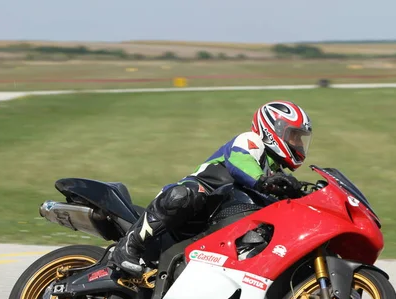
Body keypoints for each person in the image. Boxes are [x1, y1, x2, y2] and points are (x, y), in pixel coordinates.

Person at [110, 100, 313, 276]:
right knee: (185, 195)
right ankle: (129, 245)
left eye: (300, 138)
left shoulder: (276, 173)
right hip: (194, 202)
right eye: (294, 136)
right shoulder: (251, 141)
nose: (298, 143)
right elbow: (240, 163)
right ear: (272, 129)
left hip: (216, 219)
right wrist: (263, 182)